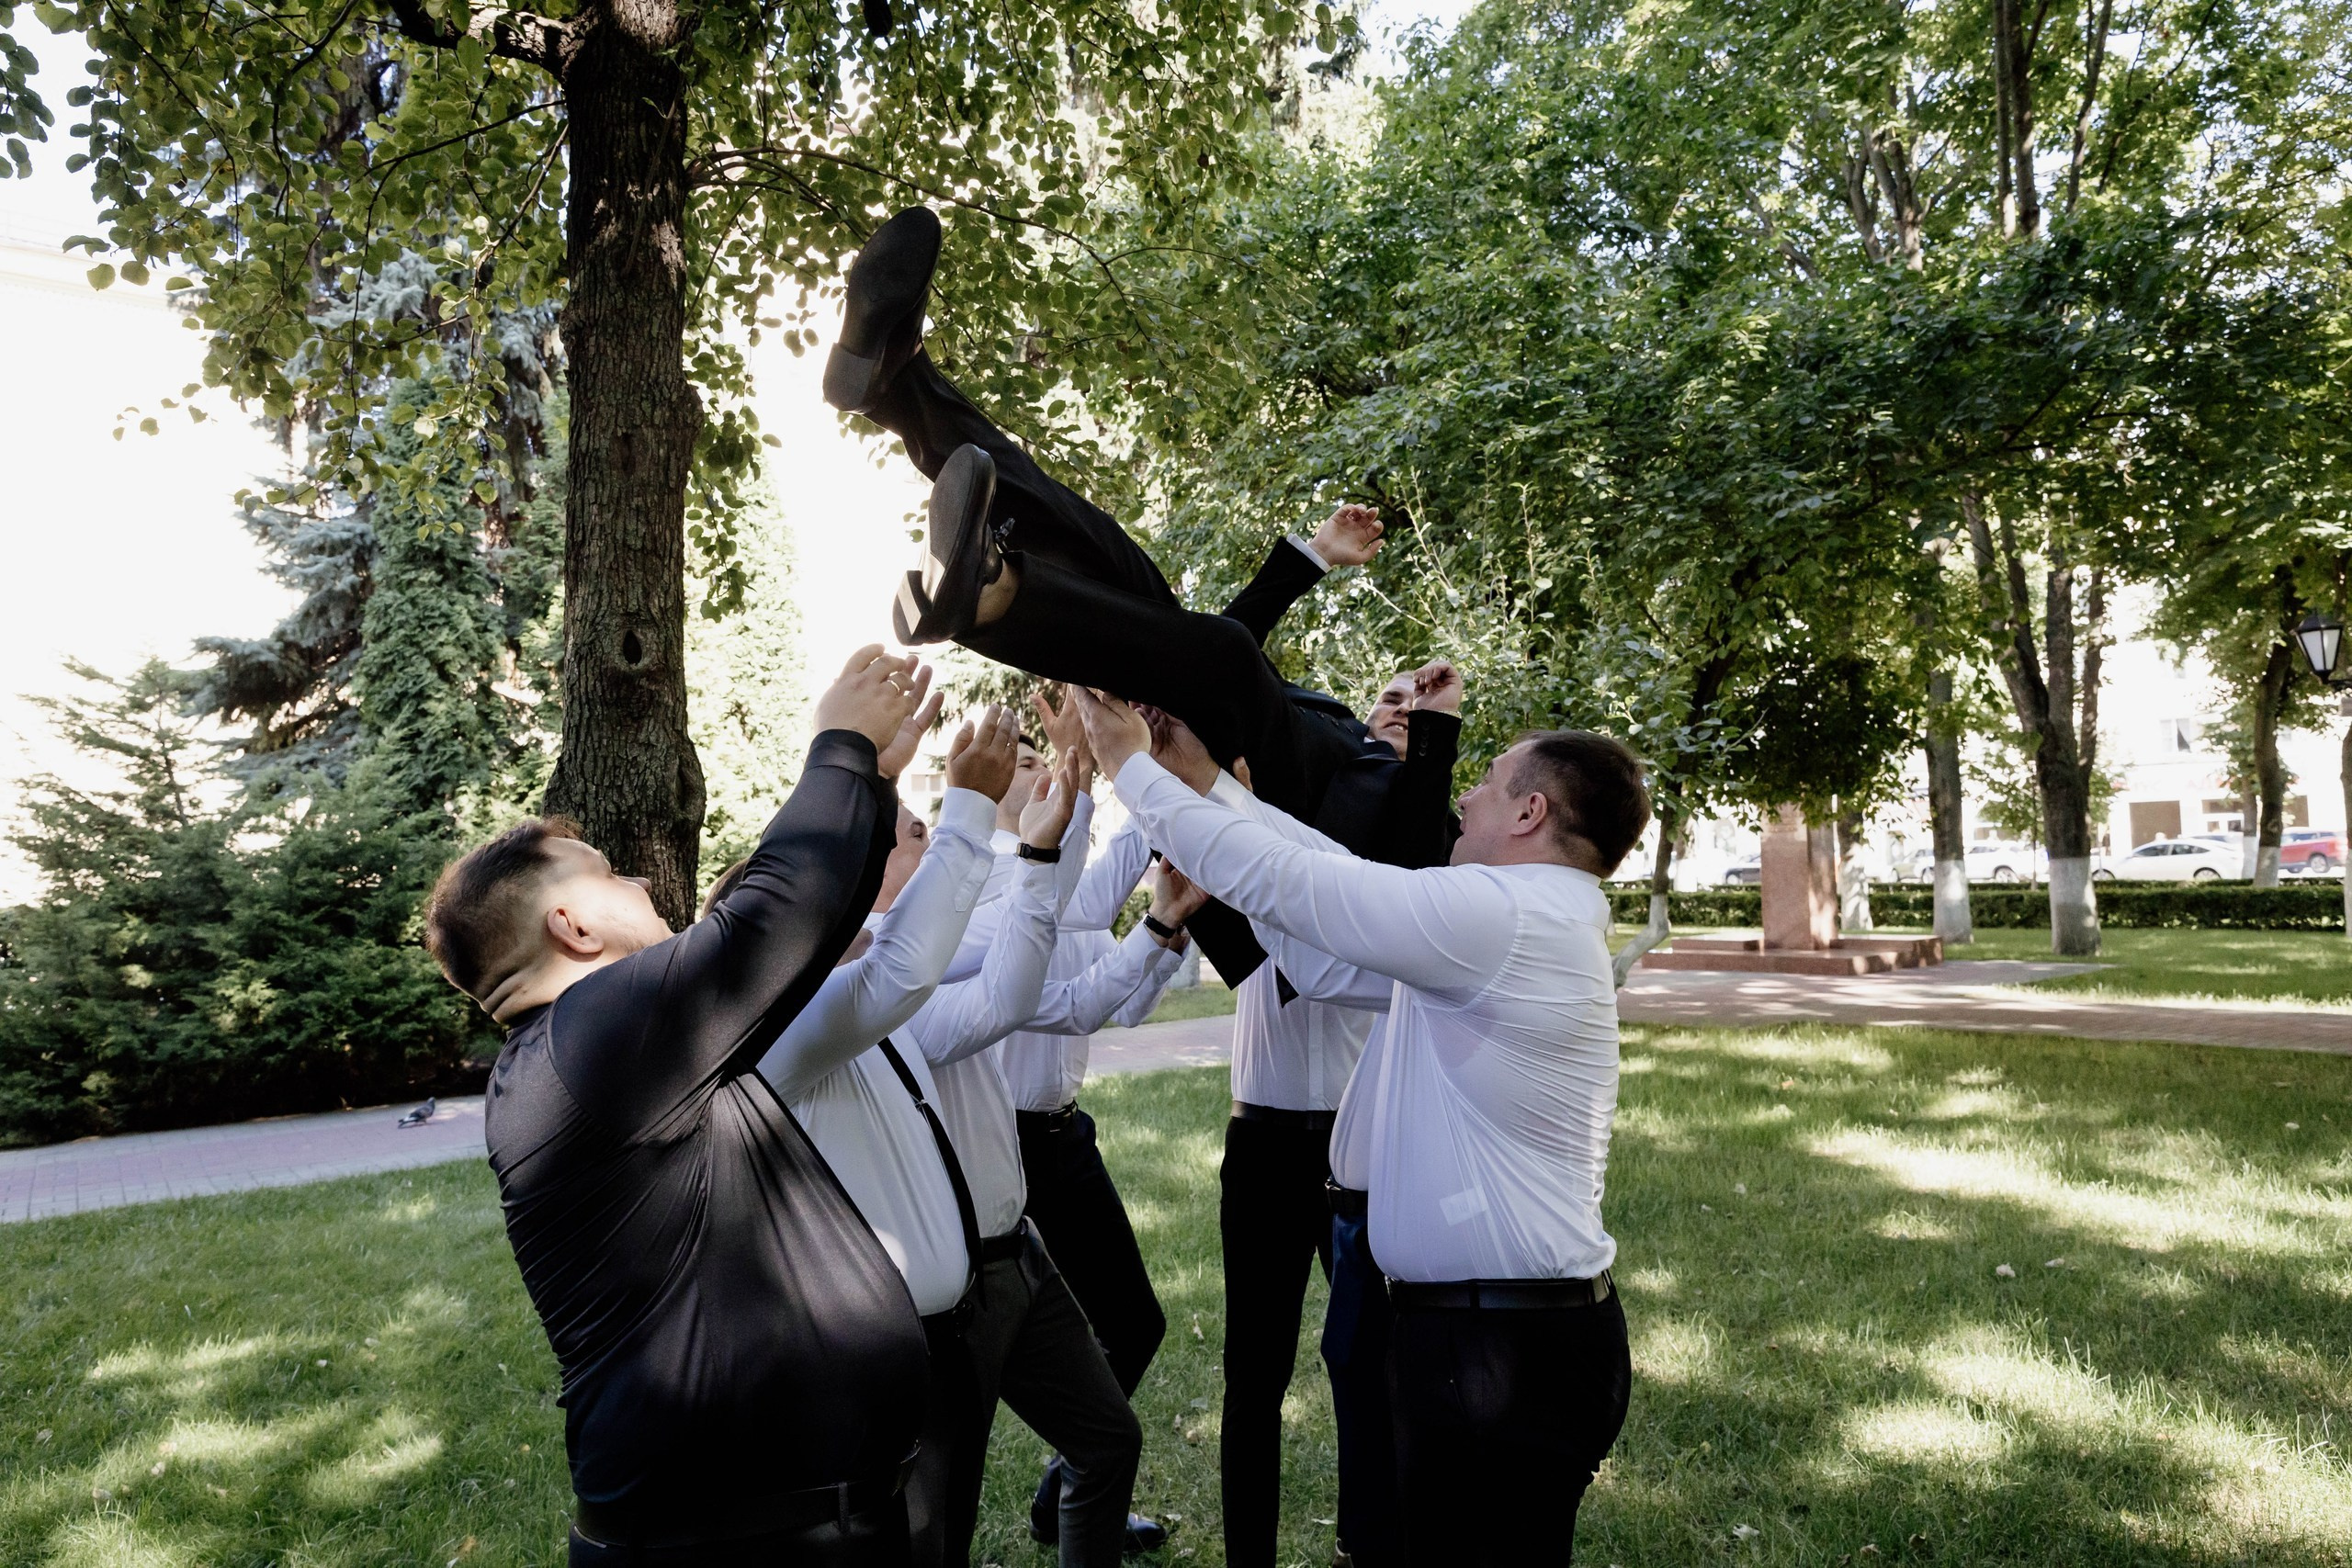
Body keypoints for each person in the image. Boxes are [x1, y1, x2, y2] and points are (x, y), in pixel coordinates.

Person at [1073, 688, 1651, 1566]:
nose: (1464, 796)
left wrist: (1137, 773)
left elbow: (1314, 885)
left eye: (1488, 783)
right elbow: (1322, 939)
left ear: (1531, 812)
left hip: (1502, 1353)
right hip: (1491, 1339)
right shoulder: (1511, 919)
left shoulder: (1503, 917)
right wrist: (1206, 786)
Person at [425, 647, 926, 1567]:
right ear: (570, 928)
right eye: (610, 873)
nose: (643, 884)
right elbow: (768, 918)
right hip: (735, 1544)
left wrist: (873, 787)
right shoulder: (590, 1037)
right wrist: (838, 748)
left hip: (768, 1526)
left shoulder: (592, 1054)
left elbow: (800, 948)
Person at [824, 205, 1453, 863]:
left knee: (1223, 649)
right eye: (1396, 694)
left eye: (1413, 705)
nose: (1405, 705)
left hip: (1254, 827)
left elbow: (1420, 840)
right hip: (1212, 717)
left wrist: (1438, 730)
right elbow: (1228, 656)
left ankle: (934, 466)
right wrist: (1314, 557)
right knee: (1123, 564)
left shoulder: (1421, 823)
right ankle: (902, 399)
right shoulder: (1338, 725)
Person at [898, 852, 1206, 1566]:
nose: (935, 847)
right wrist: (1112, 792)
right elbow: (1010, 977)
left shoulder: (1012, 912)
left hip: (1040, 1184)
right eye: (916, 834)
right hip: (966, 1231)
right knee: (941, 1497)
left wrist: (1162, 925)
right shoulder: (912, 956)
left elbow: (1092, 1000)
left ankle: (1069, 1486)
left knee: (1123, 1376)